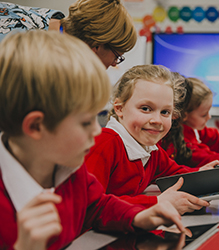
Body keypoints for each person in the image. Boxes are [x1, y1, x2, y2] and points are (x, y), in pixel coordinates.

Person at [0, 30, 189, 250]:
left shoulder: (70, 170)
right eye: (85, 122)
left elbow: (98, 206)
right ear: (36, 126)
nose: (96, 131)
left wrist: (139, 216)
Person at [85, 65, 219, 215]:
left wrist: (201, 175)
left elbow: (175, 174)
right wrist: (157, 203)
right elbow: (89, 205)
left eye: (165, 112)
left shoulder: (150, 149)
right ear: (119, 108)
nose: (157, 120)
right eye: (145, 109)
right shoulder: (104, 144)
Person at [0, 0, 136, 69]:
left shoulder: (47, 19)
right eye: (117, 56)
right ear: (96, 46)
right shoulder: (21, 54)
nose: (114, 64)